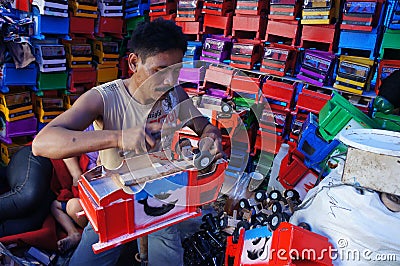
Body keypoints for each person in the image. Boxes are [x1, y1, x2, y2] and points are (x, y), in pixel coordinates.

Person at [32, 18, 223, 265]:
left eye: (175, 72)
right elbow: (42, 143)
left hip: (160, 196)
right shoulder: (104, 98)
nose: (168, 81)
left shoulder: (174, 94)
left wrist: (210, 138)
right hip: (115, 200)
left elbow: (205, 127)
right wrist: (120, 137)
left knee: (167, 250)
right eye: (159, 71)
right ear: (134, 62)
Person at [50, 125, 98, 253]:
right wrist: (75, 173)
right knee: (55, 206)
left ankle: (93, 231)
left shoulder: (116, 125)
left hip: (98, 189)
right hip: (82, 183)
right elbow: (65, 146)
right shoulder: (86, 124)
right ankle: (73, 233)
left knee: (73, 206)